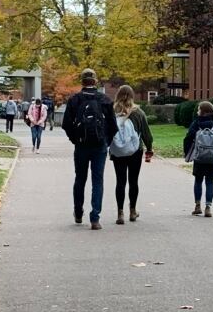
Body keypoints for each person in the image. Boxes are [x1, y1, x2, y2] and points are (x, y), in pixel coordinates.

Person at [62, 68, 118, 230]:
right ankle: (95, 217)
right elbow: (113, 126)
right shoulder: (105, 100)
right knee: (97, 180)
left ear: (82, 81)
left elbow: (66, 124)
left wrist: (75, 139)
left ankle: (78, 212)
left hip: (81, 146)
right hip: (99, 146)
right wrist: (105, 142)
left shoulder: (75, 100)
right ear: (95, 81)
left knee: (80, 178)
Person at [110, 85, 154, 225]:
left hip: (117, 151)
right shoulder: (138, 112)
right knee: (133, 181)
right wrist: (149, 148)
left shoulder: (112, 111)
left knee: (120, 181)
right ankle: (133, 211)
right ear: (132, 96)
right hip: (135, 151)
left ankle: (120, 212)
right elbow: (146, 134)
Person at [183, 101, 213, 217]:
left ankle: (197, 205)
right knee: (210, 182)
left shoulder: (196, 124)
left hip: (199, 157)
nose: (198, 111)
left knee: (198, 181)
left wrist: (188, 153)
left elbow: (187, 138)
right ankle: (208, 207)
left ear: (203, 112)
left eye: (199, 109)